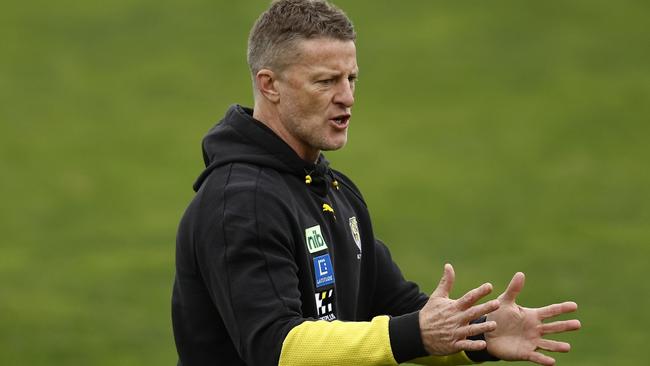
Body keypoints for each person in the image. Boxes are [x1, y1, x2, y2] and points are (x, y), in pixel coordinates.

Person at [171, 1, 581, 365]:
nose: (346, 96)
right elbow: (276, 347)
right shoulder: (242, 202)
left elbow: (401, 309)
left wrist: (483, 334)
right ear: (269, 85)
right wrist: (414, 334)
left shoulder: (333, 191)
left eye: (351, 79)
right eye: (326, 81)